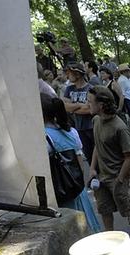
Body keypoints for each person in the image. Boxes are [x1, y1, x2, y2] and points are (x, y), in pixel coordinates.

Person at [41, 93, 102, 233]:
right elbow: (80, 165)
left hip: (61, 192)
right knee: (87, 228)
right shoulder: (71, 132)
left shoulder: (43, 137)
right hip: (77, 189)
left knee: (72, 233)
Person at [87, 86, 130, 231]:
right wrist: (92, 168)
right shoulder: (96, 120)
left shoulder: (119, 127)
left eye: (90, 101)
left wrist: (120, 179)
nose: (87, 104)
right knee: (104, 210)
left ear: (101, 105)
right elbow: (98, 144)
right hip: (101, 179)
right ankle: (109, 239)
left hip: (117, 179)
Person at [63, 62, 95, 164]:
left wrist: (72, 106)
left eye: (69, 73)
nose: (67, 76)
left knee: (98, 153)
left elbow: (89, 109)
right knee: (88, 154)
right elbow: (65, 106)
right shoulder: (69, 89)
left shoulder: (90, 88)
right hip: (79, 128)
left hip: (91, 127)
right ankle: (95, 177)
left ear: (77, 74)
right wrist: (80, 105)